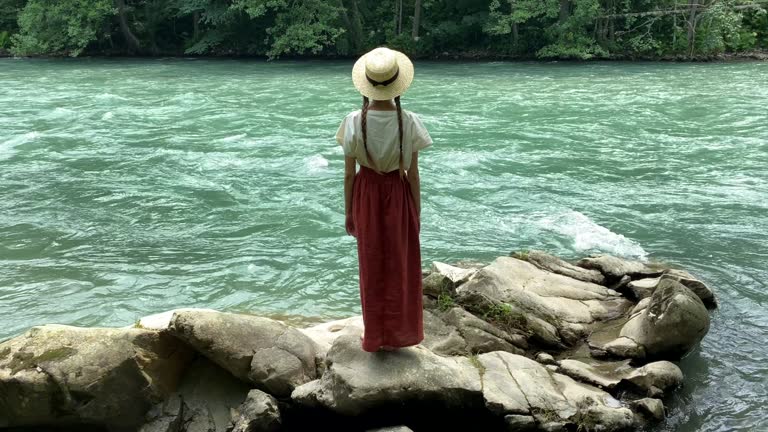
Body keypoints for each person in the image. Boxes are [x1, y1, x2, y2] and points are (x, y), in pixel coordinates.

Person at [335, 47, 433, 353]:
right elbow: (413, 174)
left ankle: (375, 336)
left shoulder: (352, 120)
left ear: (366, 83)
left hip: (366, 192)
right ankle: (402, 334)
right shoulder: (409, 120)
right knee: (402, 264)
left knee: (372, 263)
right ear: (397, 83)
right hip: (398, 192)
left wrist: (348, 210)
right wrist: (416, 210)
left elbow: (349, 175)